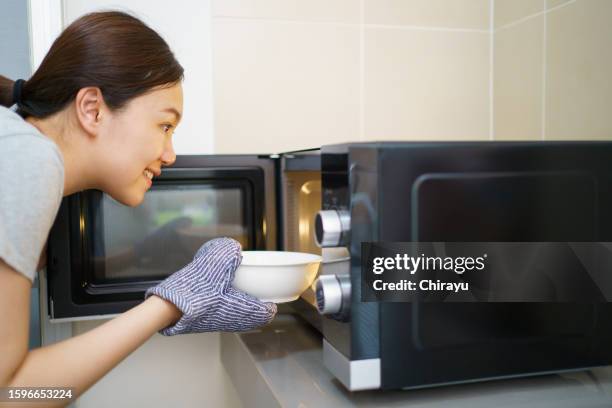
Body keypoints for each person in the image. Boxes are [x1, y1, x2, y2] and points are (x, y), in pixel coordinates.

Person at [0, 10, 276, 402]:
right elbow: (12, 395)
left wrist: (140, 253)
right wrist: (172, 303)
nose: (170, 154)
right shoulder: (28, 159)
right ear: (92, 109)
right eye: (165, 126)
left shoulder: (18, 147)